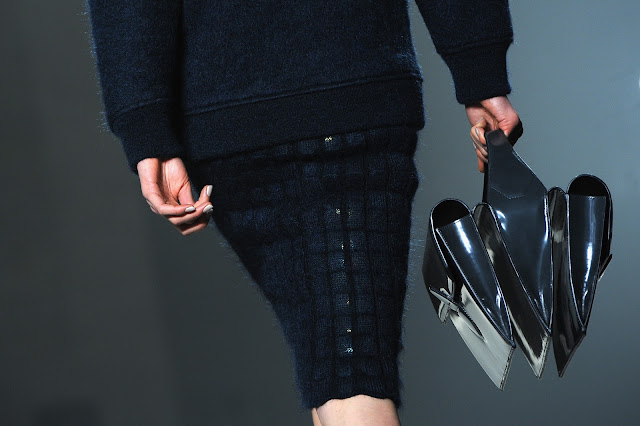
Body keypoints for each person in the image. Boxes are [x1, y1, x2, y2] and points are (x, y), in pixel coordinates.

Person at [86, 0, 521, 424]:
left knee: (337, 379)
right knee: (350, 381)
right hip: (348, 85)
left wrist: (145, 126)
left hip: (230, 112)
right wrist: (480, 70)